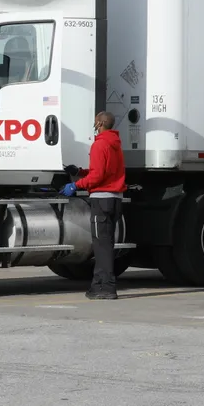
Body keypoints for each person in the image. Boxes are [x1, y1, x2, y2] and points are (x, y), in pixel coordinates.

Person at [61, 111, 126, 300]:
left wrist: (76, 185)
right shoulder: (114, 144)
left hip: (102, 199)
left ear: (100, 123)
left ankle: (106, 287)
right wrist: (80, 172)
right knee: (106, 244)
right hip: (115, 198)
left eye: (95, 121)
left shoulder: (100, 144)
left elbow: (98, 176)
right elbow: (104, 170)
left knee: (102, 245)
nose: (94, 123)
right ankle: (98, 285)